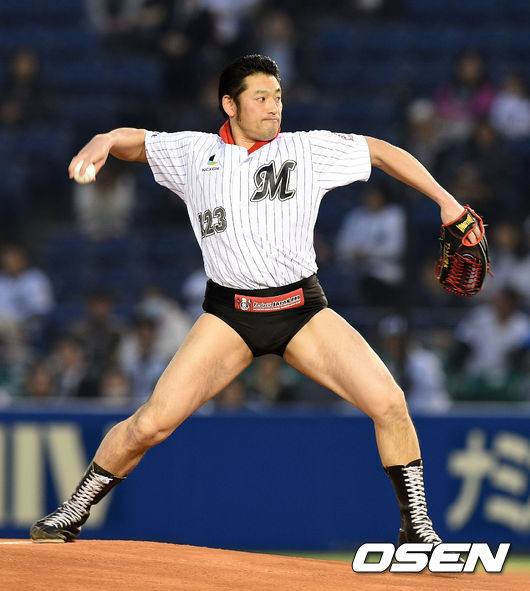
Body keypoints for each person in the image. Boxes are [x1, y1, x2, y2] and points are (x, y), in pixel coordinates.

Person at [30, 54, 482, 548]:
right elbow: (135, 142)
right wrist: (103, 139)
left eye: (278, 97)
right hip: (230, 316)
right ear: (230, 104)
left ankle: (417, 528)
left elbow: (381, 152)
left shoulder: (305, 150)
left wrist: (447, 202)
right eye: (261, 97)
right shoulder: (194, 153)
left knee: (390, 403)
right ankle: (73, 510)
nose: (274, 107)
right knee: (151, 424)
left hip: (302, 311)